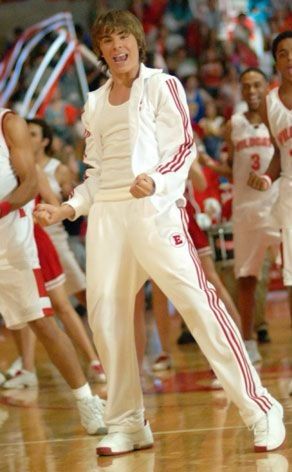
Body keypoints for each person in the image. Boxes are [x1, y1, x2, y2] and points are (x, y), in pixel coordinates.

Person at [35, 10, 285, 456]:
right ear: (101, 51)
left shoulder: (161, 84)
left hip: (154, 211)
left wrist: (155, 179)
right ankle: (128, 422)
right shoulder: (93, 103)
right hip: (107, 220)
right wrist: (68, 207)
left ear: (136, 42)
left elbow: (183, 146)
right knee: (106, 319)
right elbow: (95, 173)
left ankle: (261, 409)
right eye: (107, 40)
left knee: (199, 308)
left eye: (122, 36)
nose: (116, 46)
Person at [0, 107, 105, 434]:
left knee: (43, 322)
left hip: (13, 243)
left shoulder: (9, 123)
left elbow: (31, 183)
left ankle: (86, 399)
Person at [201, 68, 281, 364]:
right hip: (246, 211)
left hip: (276, 207)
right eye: (246, 86)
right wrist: (209, 163)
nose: (251, 91)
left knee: (288, 277)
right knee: (246, 279)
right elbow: (232, 169)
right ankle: (248, 343)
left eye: (257, 85)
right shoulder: (233, 124)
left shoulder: (280, 120)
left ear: (266, 87)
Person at [247, 31, 292, 393]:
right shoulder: (270, 103)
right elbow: (279, 152)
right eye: (283, 53)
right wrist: (266, 177)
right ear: (275, 61)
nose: (290, 58)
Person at [27, 118, 87, 307]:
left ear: (45, 141)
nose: (27, 138)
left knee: (81, 291)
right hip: (30, 237)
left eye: (33, 134)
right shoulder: (22, 166)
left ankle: (104, 328)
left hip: (55, 236)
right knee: (39, 300)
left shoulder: (58, 169)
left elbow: (71, 203)